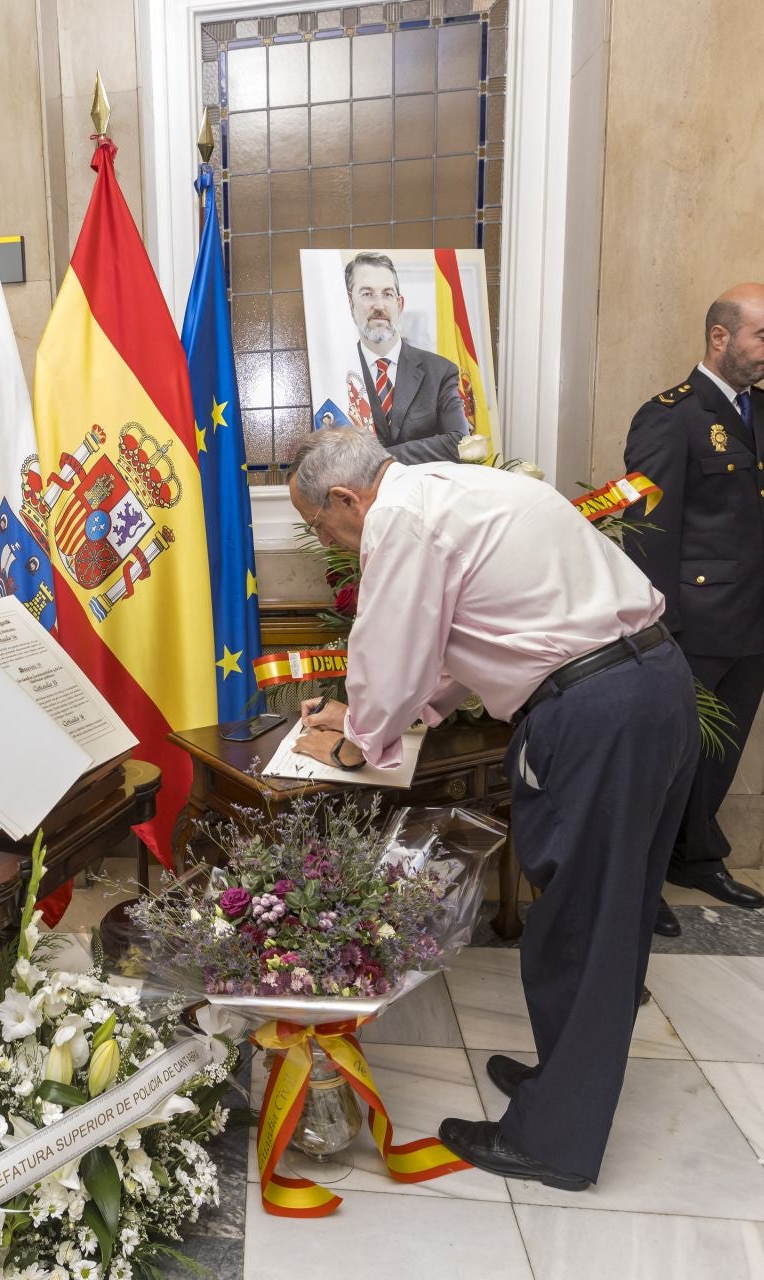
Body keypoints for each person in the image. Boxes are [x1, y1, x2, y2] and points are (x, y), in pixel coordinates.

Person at [288, 428, 696, 1190]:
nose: (332, 541)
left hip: (595, 714)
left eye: (320, 525)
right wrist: (383, 718)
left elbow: (394, 651)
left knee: (580, 925)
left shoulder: (400, 521)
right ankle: (563, 1086)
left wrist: (353, 741)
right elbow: (463, 640)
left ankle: (556, 1142)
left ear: (348, 498)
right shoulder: (456, 491)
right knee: (614, 913)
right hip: (652, 687)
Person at [623, 283, 764, 937]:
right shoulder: (671, 415)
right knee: (667, 762)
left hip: (754, 620)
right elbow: (648, 533)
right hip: (690, 626)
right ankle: (640, 879)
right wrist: (657, 628)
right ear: (720, 337)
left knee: (720, 757)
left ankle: (694, 856)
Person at [343, 250, 472, 463]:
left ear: (399, 304)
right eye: (367, 294)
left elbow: (458, 443)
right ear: (349, 303)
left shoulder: (440, 371)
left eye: (387, 294)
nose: (379, 305)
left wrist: (380, 459)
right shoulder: (338, 373)